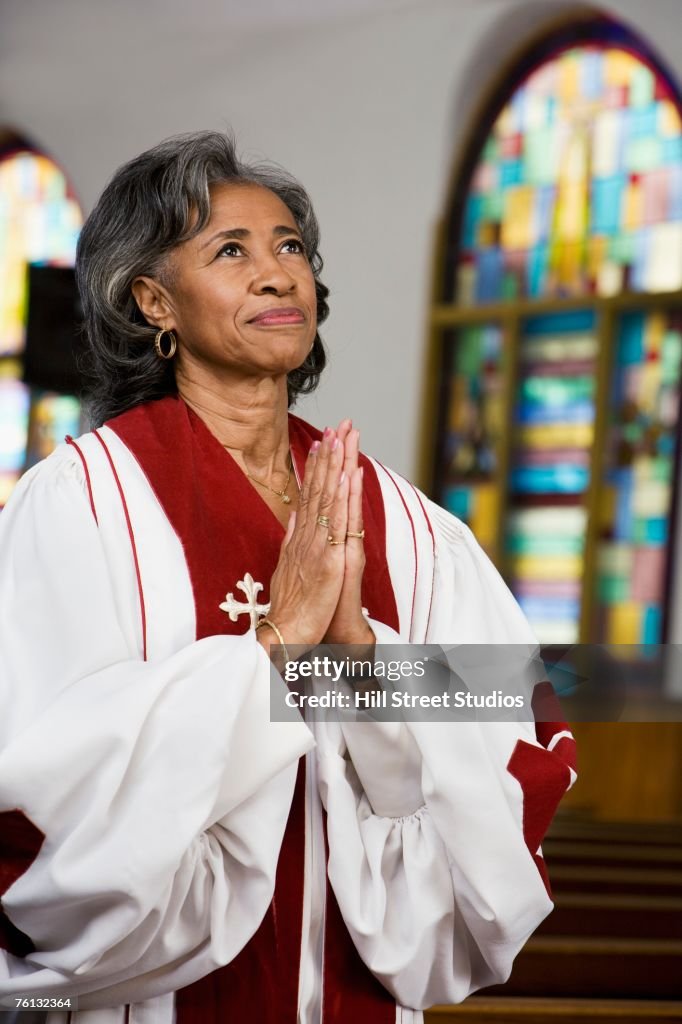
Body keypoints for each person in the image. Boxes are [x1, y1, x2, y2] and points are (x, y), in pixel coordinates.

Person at [0, 131, 576, 1024]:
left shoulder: (416, 530)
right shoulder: (80, 505)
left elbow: (509, 728)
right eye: (231, 250)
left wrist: (359, 657)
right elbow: (40, 783)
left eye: (291, 248)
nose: (279, 275)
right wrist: (272, 647)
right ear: (153, 299)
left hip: (357, 991)